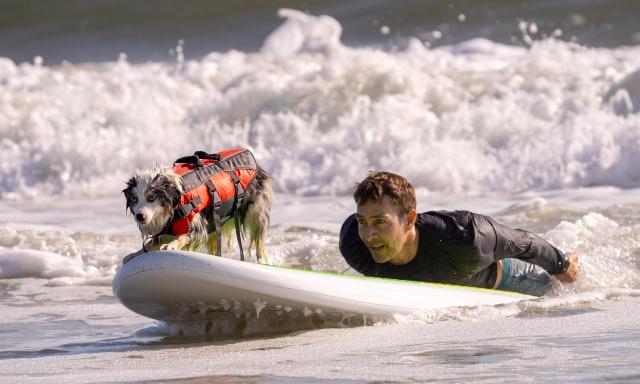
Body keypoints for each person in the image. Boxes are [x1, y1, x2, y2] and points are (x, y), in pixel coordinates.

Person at [339, 172, 579, 296]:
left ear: (410, 219)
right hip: (442, 288)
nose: (369, 234)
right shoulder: (353, 242)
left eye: (380, 222)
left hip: (506, 281)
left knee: (556, 293)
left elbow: (523, 242)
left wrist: (561, 266)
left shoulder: (466, 237)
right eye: (363, 221)